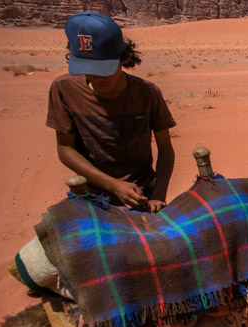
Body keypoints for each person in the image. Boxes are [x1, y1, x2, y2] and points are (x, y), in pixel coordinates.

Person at [47, 11, 176, 212]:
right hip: (92, 196)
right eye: (87, 68)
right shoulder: (64, 89)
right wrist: (113, 186)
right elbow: (65, 149)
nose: (95, 78)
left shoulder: (147, 93)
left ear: (123, 58)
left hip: (141, 195)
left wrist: (158, 196)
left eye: (103, 70)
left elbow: (165, 148)